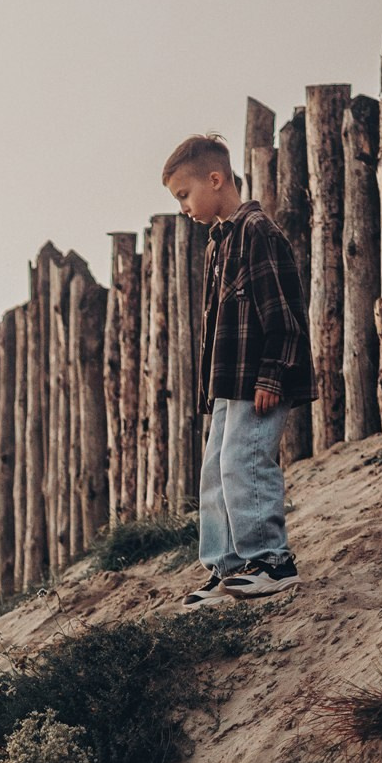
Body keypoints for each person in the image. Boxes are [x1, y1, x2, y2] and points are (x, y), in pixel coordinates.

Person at [162, 133, 314, 609]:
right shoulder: (219, 242)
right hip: (230, 382)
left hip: (261, 378)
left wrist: (273, 373)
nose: (183, 208)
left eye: (184, 195)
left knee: (244, 463)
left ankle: (273, 562)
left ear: (215, 179)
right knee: (215, 472)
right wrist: (212, 389)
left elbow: (284, 311)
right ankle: (225, 567)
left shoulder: (257, 231)